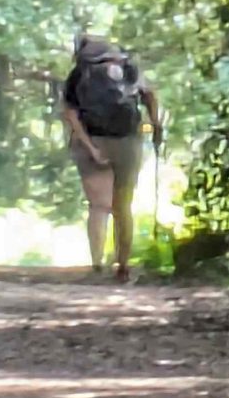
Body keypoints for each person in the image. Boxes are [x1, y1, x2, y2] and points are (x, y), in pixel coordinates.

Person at [61, 31, 163, 281]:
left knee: (98, 206)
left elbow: (71, 114)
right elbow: (149, 95)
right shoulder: (128, 67)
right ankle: (123, 265)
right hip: (127, 140)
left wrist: (90, 146)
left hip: (91, 140)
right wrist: (155, 124)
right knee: (123, 205)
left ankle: (97, 264)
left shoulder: (79, 73)